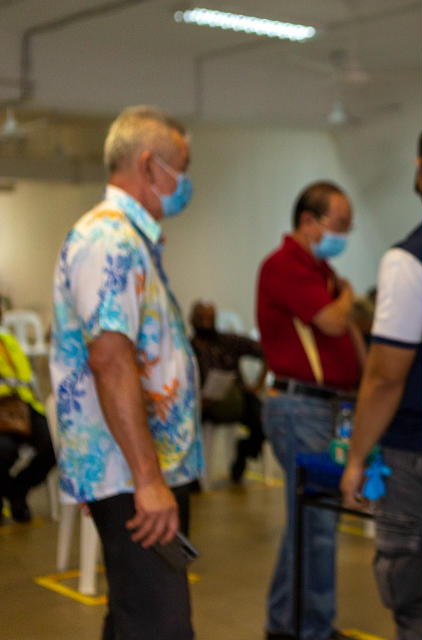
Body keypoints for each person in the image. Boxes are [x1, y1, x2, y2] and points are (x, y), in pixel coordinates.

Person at [50, 105, 201, 639]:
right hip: (132, 474)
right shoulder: (108, 239)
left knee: (135, 620)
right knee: (160, 627)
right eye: (180, 168)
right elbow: (110, 360)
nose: (185, 183)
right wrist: (147, 479)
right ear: (149, 165)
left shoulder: (132, 241)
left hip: (136, 470)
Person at [256, 181, 365, 640]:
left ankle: (286, 623)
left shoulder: (320, 272)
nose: (344, 235)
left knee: (309, 520)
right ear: (308, 221)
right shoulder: (284, 267)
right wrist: (347, 296)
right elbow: (335, 320)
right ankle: (313, 629)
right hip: (299, 407)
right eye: (338, 225)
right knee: (317, 522)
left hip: (323, 408)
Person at [341, 132, 422, 640]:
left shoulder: (408, 260)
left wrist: (356, 458)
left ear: (421, 168)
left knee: (415, 604)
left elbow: (385, 377)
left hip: (414, 457)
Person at [189, 300, 267, 483]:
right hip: (204, 404)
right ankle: (195, 479)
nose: (206, 323)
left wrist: (258, 384)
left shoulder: (229, 341)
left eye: (210, 318)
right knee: (188, 427)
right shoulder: (188, 347)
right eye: (202, 318)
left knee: (266, 418)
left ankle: (243, 453)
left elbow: (265, 351)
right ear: (193, 319)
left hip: (237, 398)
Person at [0, 316, 56, 523]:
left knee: (53, 447)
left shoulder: (8, 339)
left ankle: (16, 490)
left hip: (24, 406)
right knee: (4, 451)